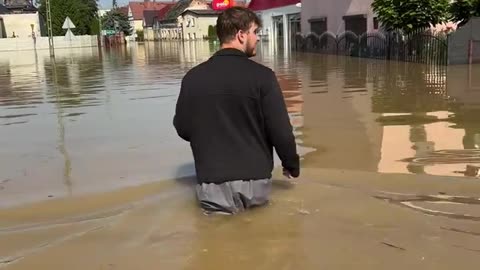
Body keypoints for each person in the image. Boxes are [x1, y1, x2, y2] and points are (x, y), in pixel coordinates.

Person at [173, 7, 299, 215]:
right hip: (255, 181)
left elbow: (183, 128)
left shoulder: (192, 78)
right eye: (255, 32)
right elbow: (281, 131)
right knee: (259, 237)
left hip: (211, 184)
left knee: (217, 243)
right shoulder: (263, 77)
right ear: (241, 35)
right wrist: (291, 165)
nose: (258, 38)